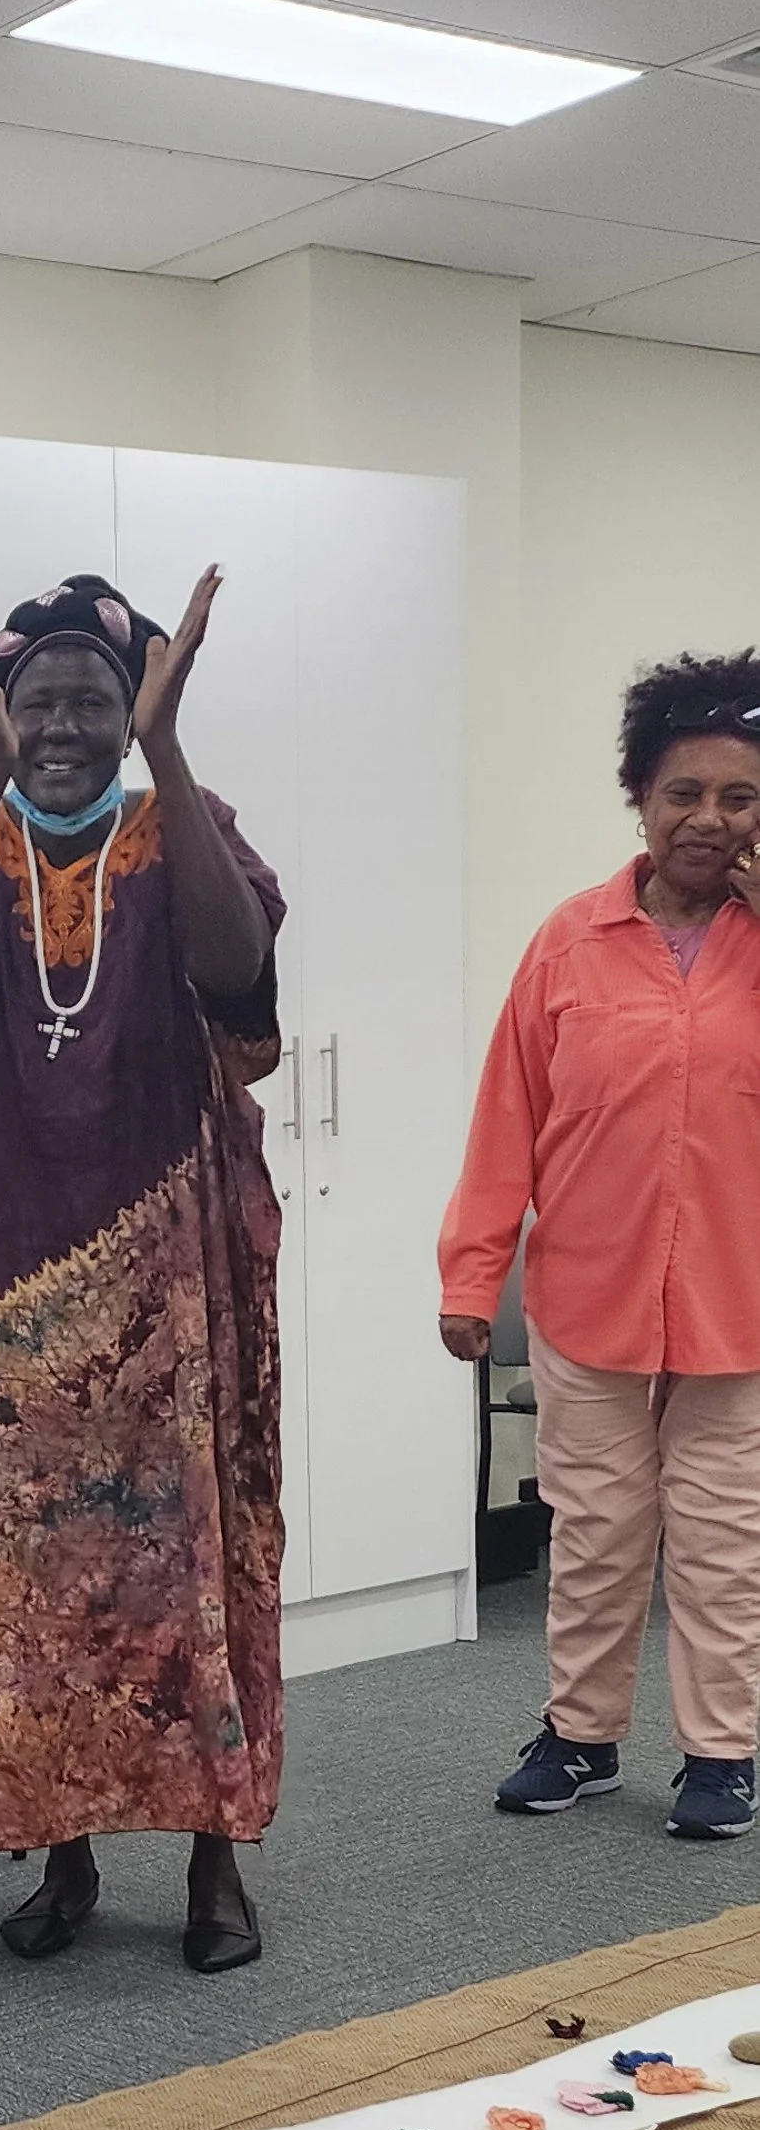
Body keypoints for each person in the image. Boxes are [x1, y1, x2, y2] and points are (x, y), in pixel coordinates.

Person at [0, 569, 284, 1972]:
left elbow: (240, 975)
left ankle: (217, 1866)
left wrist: (173, 756)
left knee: (193, 1566)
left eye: (92, 700)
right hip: (3, 1271)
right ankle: (64, 1857)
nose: (62, 724)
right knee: (28, 1581)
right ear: (1, 708)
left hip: (169, 1267)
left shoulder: (187, 830)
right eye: (33, 700)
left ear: (131, 708)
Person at [441, 651, 760, 1842]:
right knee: (594, 1536)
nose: (710, 820)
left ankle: (721, 1756)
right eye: (684, 793)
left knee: (725, 1548)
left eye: (739, 796)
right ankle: (580, 1737)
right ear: (638, 796)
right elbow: (504, 1120)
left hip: (738, 1307)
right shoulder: (570, 942)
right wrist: (472, 1274)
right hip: (589, 1297)